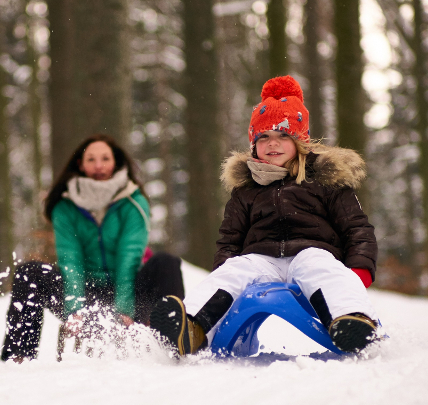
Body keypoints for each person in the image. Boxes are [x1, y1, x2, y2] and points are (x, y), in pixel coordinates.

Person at [149, 75, 378, 356]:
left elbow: (357, 228)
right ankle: (191, 327)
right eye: (264, 137)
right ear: (253, 144)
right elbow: (230, 239)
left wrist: (359, 270)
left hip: (311, 252)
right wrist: (225, 265)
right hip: (262, 260)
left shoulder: (323, 179)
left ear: (300, 140)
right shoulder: (246, 189)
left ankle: (351, 320)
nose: (273, 144)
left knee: (319, 265)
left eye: (284, 135)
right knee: (236, 269)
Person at [0, 133, 184, 362]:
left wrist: (124, 309)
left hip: (130, 291)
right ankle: (18, 357)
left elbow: (129, 259)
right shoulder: (65, 207)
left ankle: (176, 345)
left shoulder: (134, 202)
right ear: (80, 164)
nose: (99, 165)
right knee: (30, 273)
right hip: (84, 292)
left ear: (115, 162)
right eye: (91, 159)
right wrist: (74, 309)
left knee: (167, 263)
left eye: (105, 159)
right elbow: (71, 260)